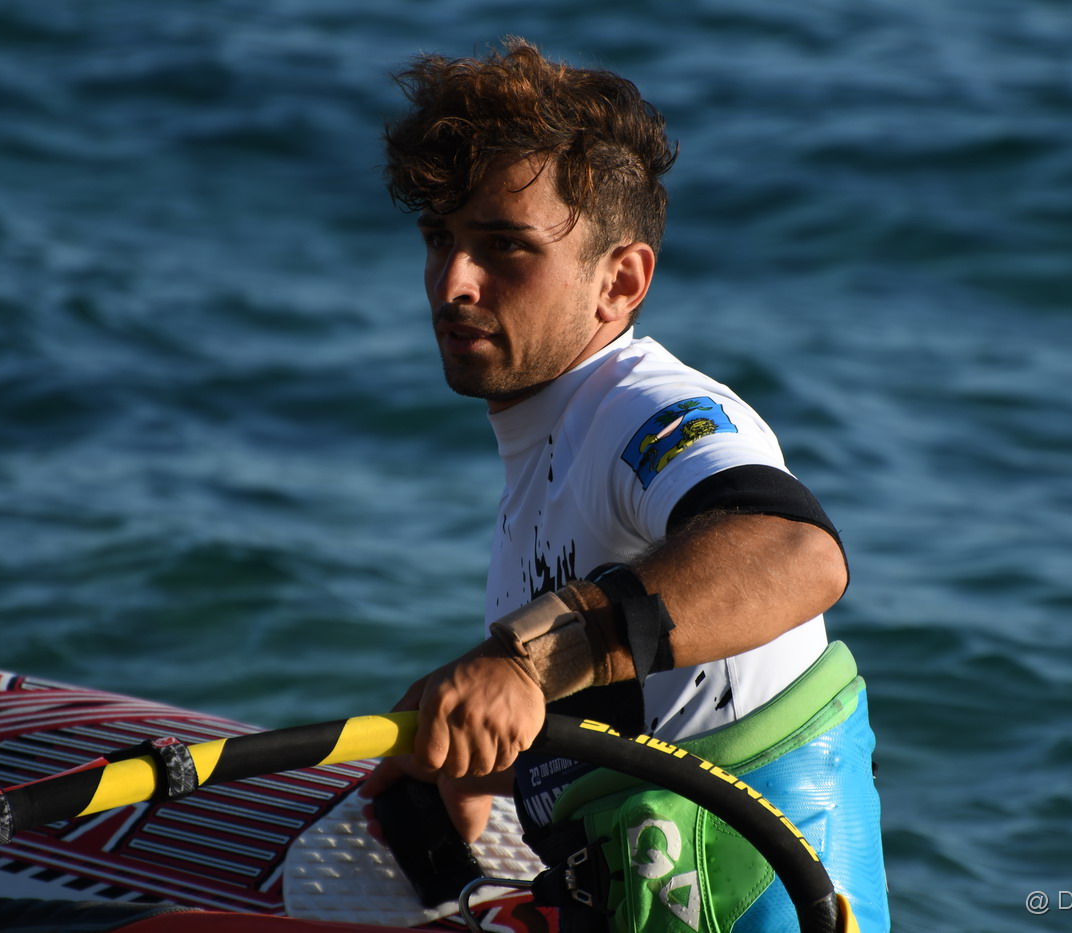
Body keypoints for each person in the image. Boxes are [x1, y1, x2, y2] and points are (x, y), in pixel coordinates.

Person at [358, 38, 889, 932]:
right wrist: (484, 753)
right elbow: (666, 710)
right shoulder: (548, 452)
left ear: (620, 280)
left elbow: (794, 551)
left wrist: (527, 661)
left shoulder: (647, 410)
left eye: (504, 247)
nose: (453, 283)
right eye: (440, 239)